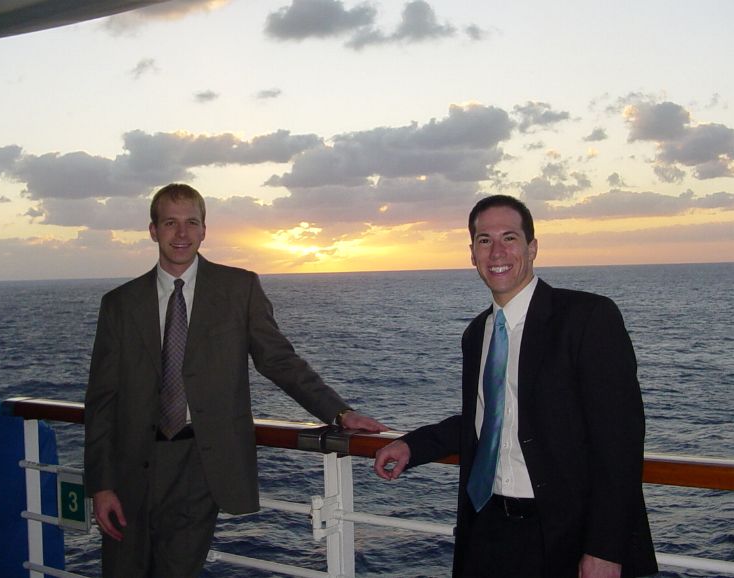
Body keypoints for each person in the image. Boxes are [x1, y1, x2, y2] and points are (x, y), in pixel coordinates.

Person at [84, 183, 387, 578]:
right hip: (130, 465)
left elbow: (279, 360)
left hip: (200, 461)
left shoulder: (238, 288)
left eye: (192, 222)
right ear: (153, 230)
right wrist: (101, 485)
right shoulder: (119, 303)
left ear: (204, 230)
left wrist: (339, 413)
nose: (181, 233)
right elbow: (102, 399)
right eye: (170, 223)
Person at [374, 195, 657, 578]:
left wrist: (605, 550)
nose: (497, 252)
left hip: (564, 535)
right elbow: (489, 419)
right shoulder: (478, 333)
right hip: (487, 529)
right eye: (484, 240)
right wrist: (413, 444)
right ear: (472, 254)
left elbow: (619, 441)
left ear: (532, 247)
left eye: (509, 237)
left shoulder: (587, 318)